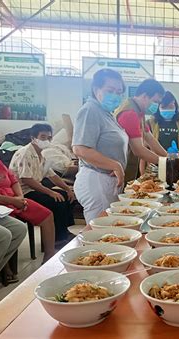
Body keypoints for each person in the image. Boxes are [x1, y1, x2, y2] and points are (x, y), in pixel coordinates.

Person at [0, 131, 55, 261]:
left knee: (46, 215)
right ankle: (4, 267)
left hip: (14, 197)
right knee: (11, 229)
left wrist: (19, 197)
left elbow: (13, 180)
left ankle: (49, 256)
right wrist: (12, 200)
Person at [72, 69, 129, 224]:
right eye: (110, 90)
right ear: (96, 89)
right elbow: (80, 148)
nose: (115, 95)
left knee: (111, 232)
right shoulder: (90, 110)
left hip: (107, 181)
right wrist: (115, 165)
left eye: (119, 91)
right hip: (96, 180)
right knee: (101, 234)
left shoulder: (106, 113)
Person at [9, 124, 75, 243]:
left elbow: (52, 176)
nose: (47, 140)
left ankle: (66, 231)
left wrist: (67, 189)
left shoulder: (42, 155)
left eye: (49, 138)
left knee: (66, 196)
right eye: (43, 137)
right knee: (56, 200)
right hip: (23, 193)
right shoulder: (25, 153)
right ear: (33, 138)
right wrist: (50, 192)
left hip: (34, 189)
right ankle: (58, 239)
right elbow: (26, 180)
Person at [115, 78, 169, 181]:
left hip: (127, 167)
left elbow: (150, 138)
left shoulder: (139, 112)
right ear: (144, 96)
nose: (156, 106)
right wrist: (166, 162)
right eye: (155, 101)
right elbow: (138, 150)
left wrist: (169, 157)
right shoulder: (130, 113)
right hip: (119, 170)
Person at [147, 91, 179, 166]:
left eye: (170, 106)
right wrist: (143, 171)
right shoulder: (150, 123)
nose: (167, 109)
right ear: (158, 108)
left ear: (175, 106)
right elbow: (145, 147)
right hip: (155, 167)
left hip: (178, 166)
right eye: (163, 107)